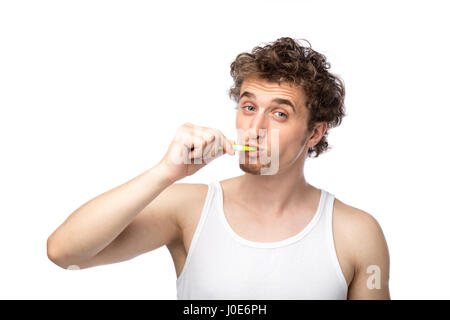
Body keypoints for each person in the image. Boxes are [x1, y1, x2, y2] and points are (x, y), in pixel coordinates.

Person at [47, 37, 390, 300]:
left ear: (314, 132)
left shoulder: (356, 232)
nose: (255, 128)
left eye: (279, 113)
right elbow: (64, 253)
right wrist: (165, 172)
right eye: (249, 106)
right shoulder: (188, 209)